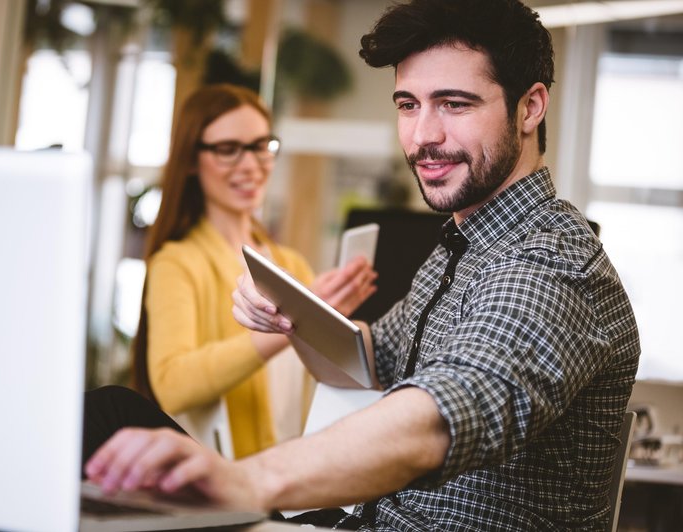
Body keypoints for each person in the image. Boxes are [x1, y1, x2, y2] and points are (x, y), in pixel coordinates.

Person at [84, 1, 641, 530]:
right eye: (408, 105)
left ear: (530, 107)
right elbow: (373, 355)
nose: (423, 136)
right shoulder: (463, 242)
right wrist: (289, 312)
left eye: (455, 103)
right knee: (111, 413)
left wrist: (246, 480)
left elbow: (443, 414)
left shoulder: (553, 262)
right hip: (353, 521)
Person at [129, 83, 376, 459]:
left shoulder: (290, 263)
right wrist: (294, 323)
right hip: (224, 484)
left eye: (261, 146)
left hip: (294, 479)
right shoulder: (178, 262)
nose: (251, 165)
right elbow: (171, 385)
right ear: (192, 161)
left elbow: (322, 383)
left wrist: (339, 332)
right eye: (228, 150)